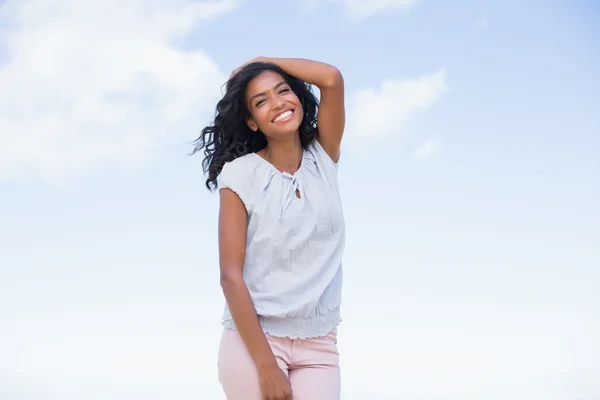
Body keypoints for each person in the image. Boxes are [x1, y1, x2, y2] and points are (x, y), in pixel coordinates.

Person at [193, 57, 346, 400]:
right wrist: (265, 365)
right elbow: (230, 275)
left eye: (283, 91)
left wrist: (261, 60)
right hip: (255, 341)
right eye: (261, 101)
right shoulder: (239, 175)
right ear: (251, 121)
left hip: (319, 342)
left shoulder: (323, 158)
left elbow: (332, 79)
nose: (278, 103)